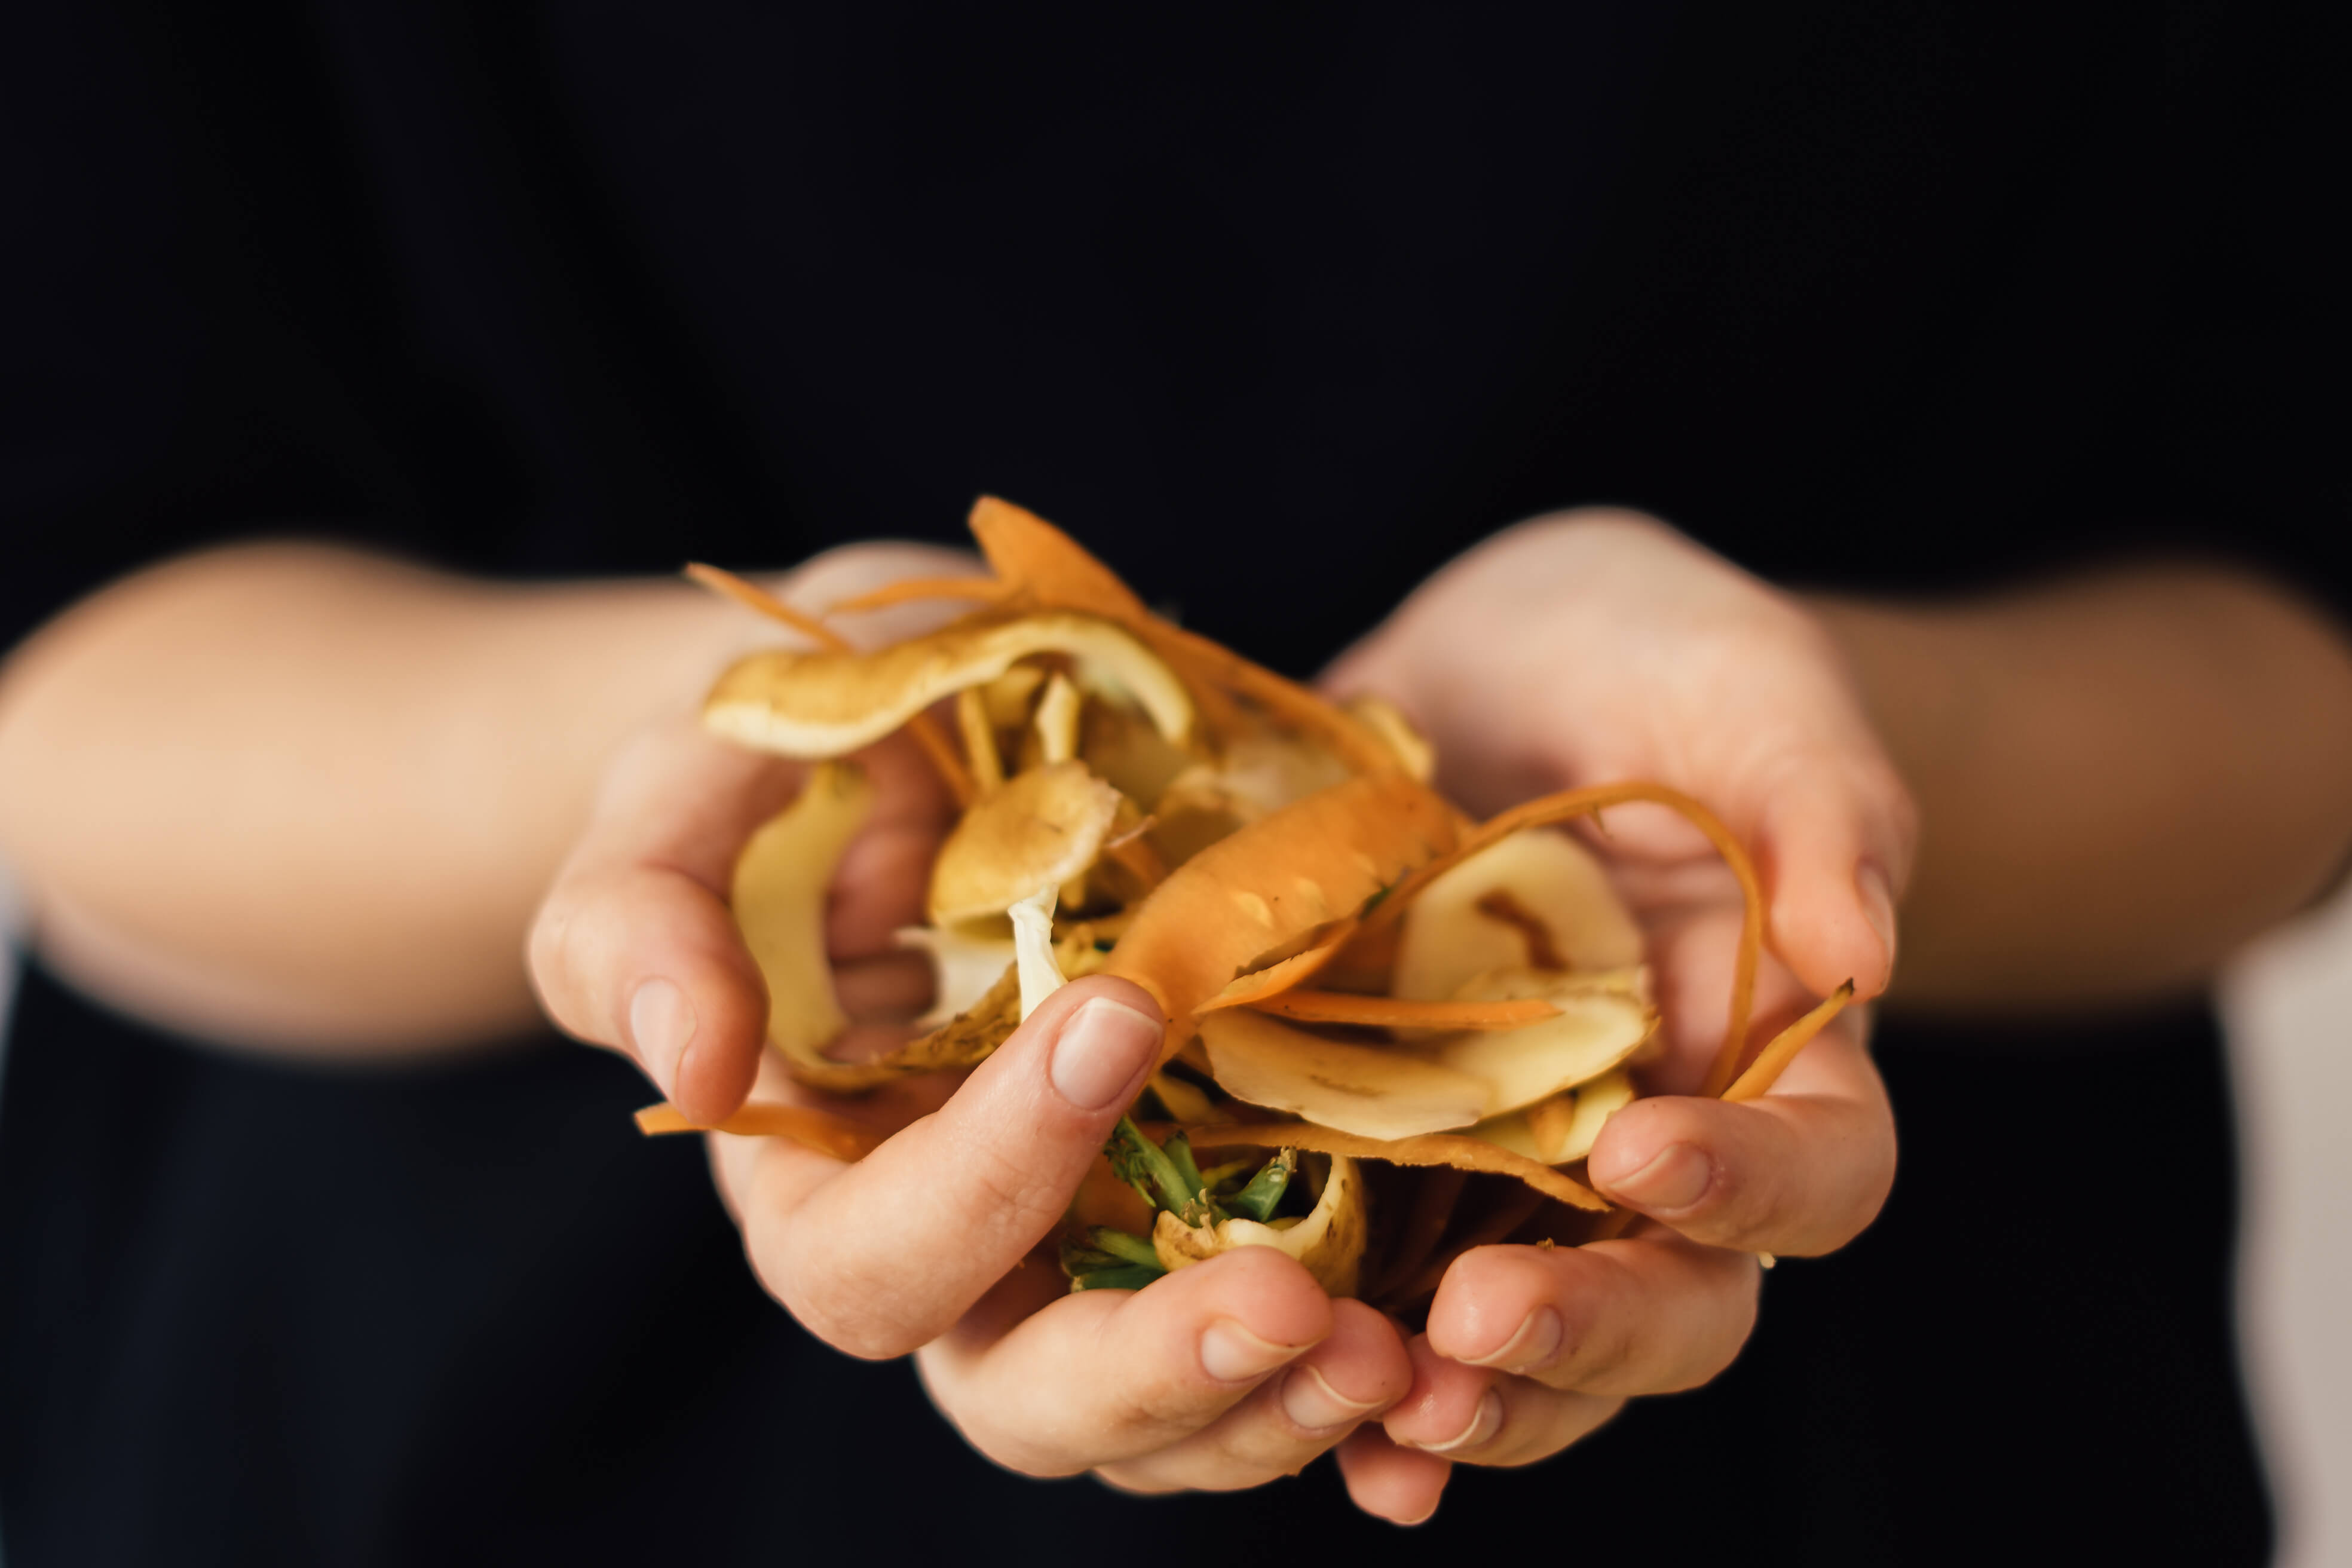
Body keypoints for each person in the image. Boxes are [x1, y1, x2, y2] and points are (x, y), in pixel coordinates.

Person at [1, 2, 2342, 1562]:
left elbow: (2289, 635)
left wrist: (1839, 745)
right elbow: (88, 649)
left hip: (1889, 1426)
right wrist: (721, 783)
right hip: (448, 1435)